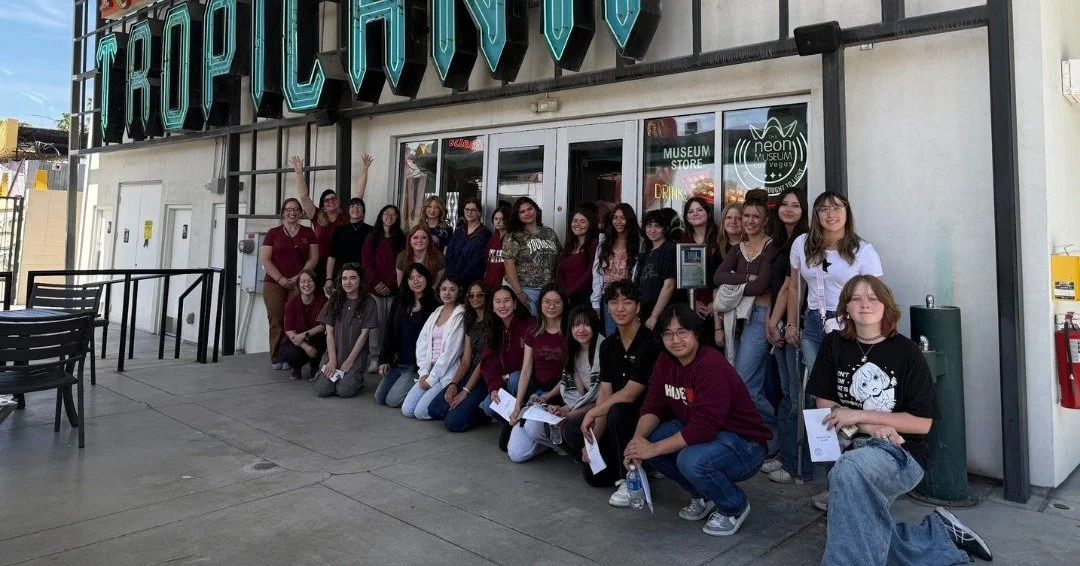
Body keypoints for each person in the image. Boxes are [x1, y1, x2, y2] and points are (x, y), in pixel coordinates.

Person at [808, 276, 993, 564]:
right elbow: (825, 404)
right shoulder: (833, 345)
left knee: (847, 473)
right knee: (861, 524)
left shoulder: (907, 353)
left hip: (901, 453)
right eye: (856, 298)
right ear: (846, 307)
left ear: (886, 306)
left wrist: (857, 414)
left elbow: (922, 424)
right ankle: (939, 534)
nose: (864, 303)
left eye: (872, 297)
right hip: (853, 445)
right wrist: (873, 426)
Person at [625, 304, 772, 537]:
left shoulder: (711, 365)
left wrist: (652, 449)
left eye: (682, 332)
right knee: (652, 437)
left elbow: (702, 430)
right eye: (668, 334)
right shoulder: (665, 361)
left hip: (745, 445)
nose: (676, 340)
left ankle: (733, 506)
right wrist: (637, 443)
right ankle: (703, 494)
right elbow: (653, 405)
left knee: (689, 460)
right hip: (707, 434)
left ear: (696, 333)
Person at [785, 191, 883, 511]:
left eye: (837, 208)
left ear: (846, 212)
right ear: (815, 214)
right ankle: (833, 485)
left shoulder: (862, 250)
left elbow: (874, 294)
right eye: (824, 209)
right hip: (815, 327)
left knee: (851, 399)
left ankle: (858, 480)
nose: (831, 214)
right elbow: (795, 286)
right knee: (821, 403)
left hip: (850, 328)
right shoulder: (803, 245)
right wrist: (790, 323)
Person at [563, 280, 662, 494]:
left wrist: (593, 413)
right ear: (607, 307)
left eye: (627, 302)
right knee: (594, 476)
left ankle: (632, 477)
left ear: (637, 307)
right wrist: (594, 442)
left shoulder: (651, 342)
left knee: (618, 411)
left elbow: (630, 394)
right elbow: (605, 393)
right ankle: (633, 465)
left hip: (648, 417)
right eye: (614, 302)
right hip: (617, 419)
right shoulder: (608, 345)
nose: (620, 308)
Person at [713, 195, 778, 456]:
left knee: (745, 383)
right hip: (737, 318)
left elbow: (762, 285)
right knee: (744, 383)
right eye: (746, 216)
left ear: (764, 220)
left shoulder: (771, 247)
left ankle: (773, 436)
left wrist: (736, 283)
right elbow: (718, 276)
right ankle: (759, 435)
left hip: (761, 315)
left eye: (755, 217)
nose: (749, 221)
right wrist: (746, 277)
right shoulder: (737, 249)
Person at [762, 188, 813, 483]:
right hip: (783, 322)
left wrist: (775, 320)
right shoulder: (781, 242)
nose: (789, 209)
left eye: (796, 205)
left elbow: (787, 287)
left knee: (798, 398)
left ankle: (799, 465)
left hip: (796, 324)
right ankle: (785, 454)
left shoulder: (803, 241)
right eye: (784, 204)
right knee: (785, 395)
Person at [506, 284, 570, 463]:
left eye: (556, 302)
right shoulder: (533, 331)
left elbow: (569, 374)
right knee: (514, 453)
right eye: (547, 302)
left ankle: (561, 444)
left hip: (559, 395)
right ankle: (548, 443)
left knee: (534, 429)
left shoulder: (570, 332)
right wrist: (518, 405)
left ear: (564, 304)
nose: (551, 306)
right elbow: (526, 370)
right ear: (540, 304)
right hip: (536, 394)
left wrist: (549, 396)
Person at [428, 281, 494, 431]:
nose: (475, 298)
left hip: (485, 377)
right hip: (469, 372)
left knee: (453, 424)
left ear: (486, 296)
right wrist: (453, 384)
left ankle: (484, 413)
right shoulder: (470, 320)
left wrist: (465, 392)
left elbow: (482, 363)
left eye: (480, 295)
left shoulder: (492, 322)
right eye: (471, 296)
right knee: (434, 409)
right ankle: (462, 409)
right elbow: (466, 361)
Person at [260, 198, 318, 370]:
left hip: (299, 283)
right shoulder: (273, 233)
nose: (292, 213)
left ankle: (293, 358)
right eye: (288, 210)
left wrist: (298, 277)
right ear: (283, 212)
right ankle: (277, 356)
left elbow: (313, 258)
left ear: (301, 212)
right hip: (274, 283)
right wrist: (281, 279)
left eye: (296, 210)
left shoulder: (309, 233)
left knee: (296, 320)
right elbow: (265, 259)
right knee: (276, 319)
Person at [401, 275, 466, 420]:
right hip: (429, 370)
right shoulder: (436, 313)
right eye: (444, 289)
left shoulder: (461, 315)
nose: (447, 293)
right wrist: (423, 372)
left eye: (452, 289)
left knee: (421, 413)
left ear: (459, 292)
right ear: (439, 291)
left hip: (446, 372)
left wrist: (431, 379)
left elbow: (451, 353)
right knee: (407, 410)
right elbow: (422, 343)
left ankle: (451, 405)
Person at [291, 155, 362, 283]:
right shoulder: (317, 216)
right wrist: (298, 173)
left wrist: (364, 170)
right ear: (323, 205)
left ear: (339, 201)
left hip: (342, 267)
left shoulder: (346, 216)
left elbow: (359, 196)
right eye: (327, 200)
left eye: (334, 199)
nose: (331, 202)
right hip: (318, 265)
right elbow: (304, 197)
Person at [375, 264, 439, 407]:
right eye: (411, 278)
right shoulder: (400, 301)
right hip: (397, 362)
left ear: (427, 278)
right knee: (380, 397)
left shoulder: (434, 305)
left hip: (415, 365)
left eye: (419, 276)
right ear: (406, 281)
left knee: (392, 401)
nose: (416, 281)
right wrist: (384, 359)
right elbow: (389, 330)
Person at [479, 285, 535, 447]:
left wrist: (509, 376)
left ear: (515, 303)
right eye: (498, 302)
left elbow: (531, 363)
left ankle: (517, 424)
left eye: (506, 301)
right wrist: (494, 386)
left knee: (515, 378)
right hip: (505, 383)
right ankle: (513, 422)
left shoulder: (529, 324)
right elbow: (488, 362)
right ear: (493, 306)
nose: (502, 306)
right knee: (487, 408)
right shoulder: (494, 328)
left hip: (525, 381)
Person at [313, 263, 379, 398]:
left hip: (354, 358)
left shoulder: (369, 302)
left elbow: (364, 334)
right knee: (323, 391)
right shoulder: (334, 300)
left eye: (353, 278)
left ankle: (357, 380)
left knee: (344, 391)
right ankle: (323, 374)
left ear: (360, 280)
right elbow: (329, 333)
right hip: (333, 355)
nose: (348, 282)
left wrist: (349, 360)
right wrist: (332, 359)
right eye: (344, 278)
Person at [364, 205, 407, 373]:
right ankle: (374, 358)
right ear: (381, 216)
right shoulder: (371, 238)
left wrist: (389, 283)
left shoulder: (401, 239)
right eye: (386, 214)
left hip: (393, 289)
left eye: (394, 215)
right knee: (375, 324)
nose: (390, 217)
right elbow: (367, 262)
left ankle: (388, 358)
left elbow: (402, 263)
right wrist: (375, 282)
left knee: (391, 324)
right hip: (374, 289)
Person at [503, 197, 561, 316]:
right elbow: (509, 265)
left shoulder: (549, 233)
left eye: (530, 209)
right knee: (529, 328)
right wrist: (519, 293)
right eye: (522, 212)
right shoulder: (513, 236)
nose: (527, 213)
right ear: (517, 216)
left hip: (547, 291)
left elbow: (559, 258)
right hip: (525, 290)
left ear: (536, 210)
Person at [591, 203, 644, 334]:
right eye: (615, 217)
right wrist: (595, 302)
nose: (618, 222)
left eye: (623, 218)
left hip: (629, 298)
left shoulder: (639, 242)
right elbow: (597, 273)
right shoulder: (605, 242)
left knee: (629, 336)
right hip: (609, 298)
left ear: (629, 220)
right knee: (611, 337)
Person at [278, 270, 328, 381]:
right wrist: (306, 346)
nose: (306, 284)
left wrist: (304, 335)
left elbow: (323, 325)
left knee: (323, 338)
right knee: (290, 353)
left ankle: (315, 368)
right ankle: (296, 367)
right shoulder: (291, 304)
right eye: (303, 281)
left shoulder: (323, 301)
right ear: (298, 285)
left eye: (310, 281)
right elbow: (290, 332)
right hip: (295, 342)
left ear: (315, 283)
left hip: (315, 339)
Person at [636, 209, 679, 330]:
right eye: (649, 226)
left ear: (665, 228)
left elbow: (669, 285)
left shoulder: (670, 249)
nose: (652, 230)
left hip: (663, 315)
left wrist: (654, 316)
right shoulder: (648, 251)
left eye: (657, 226)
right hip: (646, 313)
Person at [325, 194, 373, 296]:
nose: (355, 208)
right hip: (341, 274)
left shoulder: (371, 231)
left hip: (363, 275)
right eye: (352, 206)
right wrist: (329, 278)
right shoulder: (339, 230)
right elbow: (332, 255)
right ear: (348, 211)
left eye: (359, 206)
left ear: (363, 211)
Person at [681, 197, 720, 319]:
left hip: (719, 302)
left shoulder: (720, 237)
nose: (695, 214)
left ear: (708, 213)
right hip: (695, 304)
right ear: (687, 217)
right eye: (691, 211)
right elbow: (683, 276)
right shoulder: (684, 241)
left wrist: (717, 303)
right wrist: (692, 302)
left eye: (699, 210)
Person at [555, 208, 599, 308]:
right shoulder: (570, 245)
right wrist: (560, 293)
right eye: (575, 221)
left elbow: (590, 274)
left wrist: (568, 293)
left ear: (590, 224)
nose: (577, 224)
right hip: (565, 298)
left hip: (582, 299)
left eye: (582, 221)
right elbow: (560, 271)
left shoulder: (594, 245)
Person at [445, 197, 492, 285]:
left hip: (471, 281)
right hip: (452, 279)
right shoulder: (459, 231)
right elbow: (450, 253)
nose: (469, 213)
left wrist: (461, 278)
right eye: (467, 209)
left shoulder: (484, 234)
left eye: (473, 210)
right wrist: (452, 275)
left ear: (479, 213)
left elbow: (477, 261)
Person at [482, 206, 510, 290]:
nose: (498, 221)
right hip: (489, 282)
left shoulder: (511, 239)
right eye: (496, 218)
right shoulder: (492, 240)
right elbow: (487, 263)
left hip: (504, 283)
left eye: (501, 219)